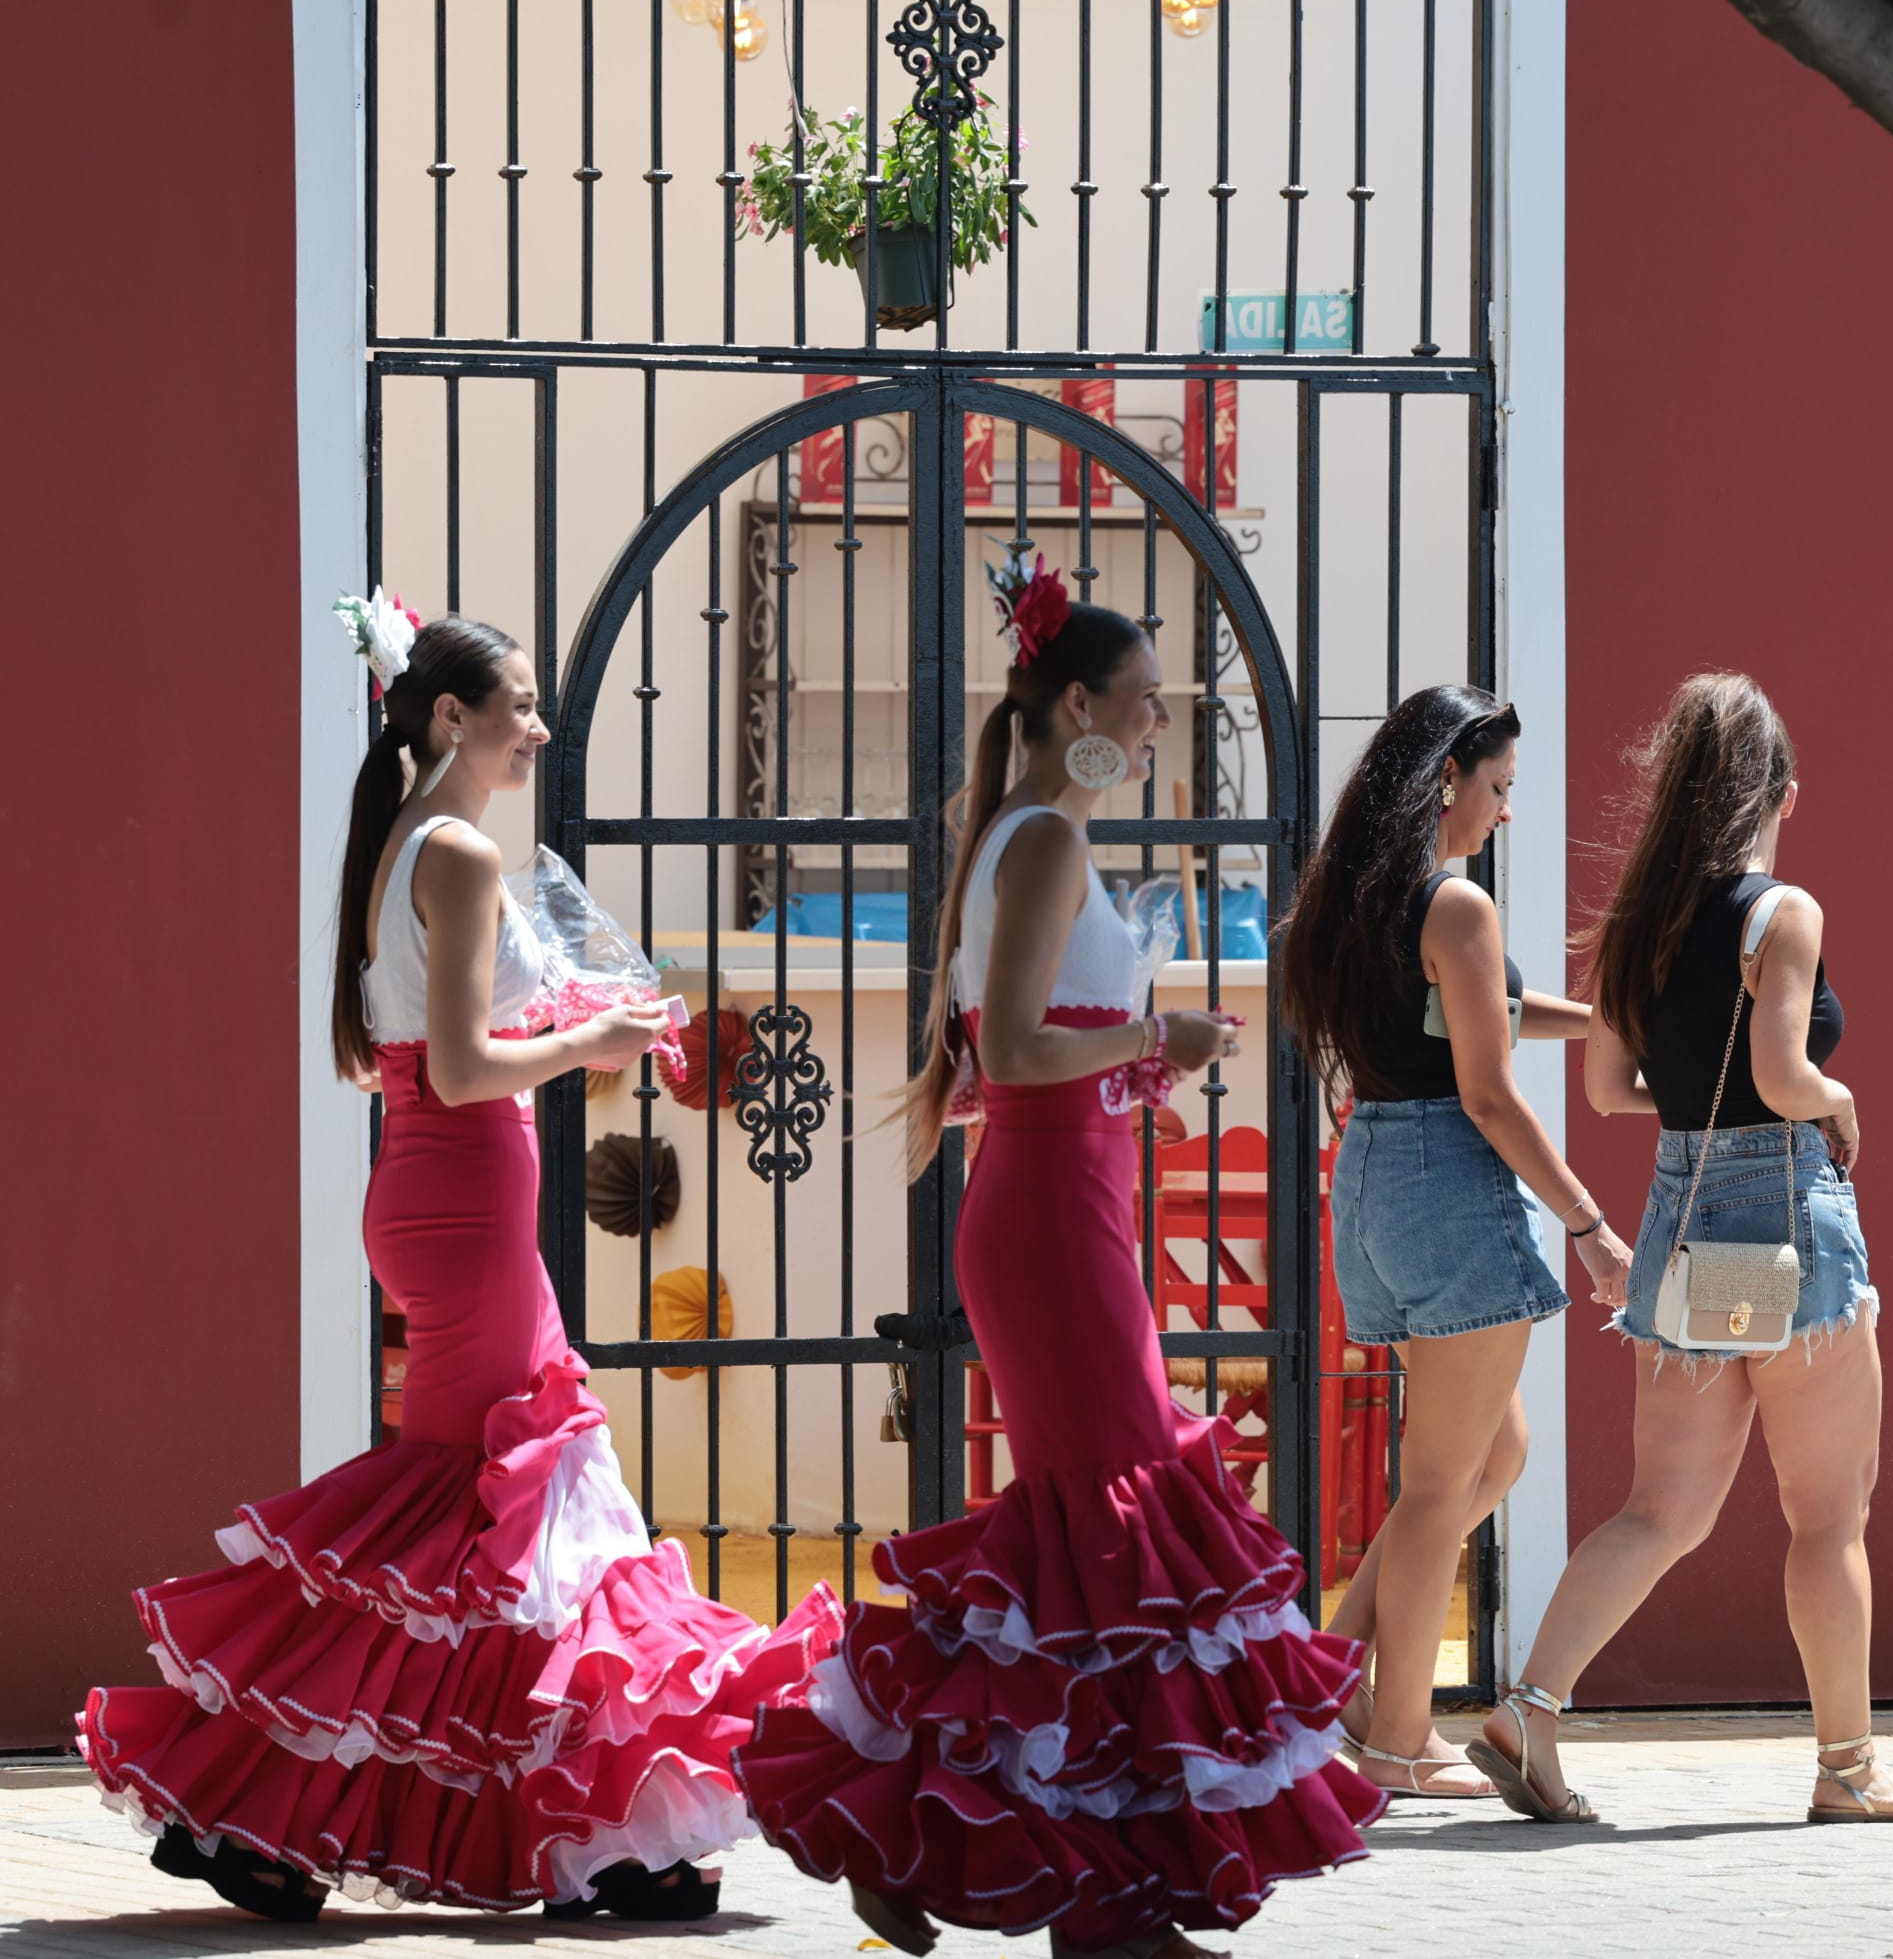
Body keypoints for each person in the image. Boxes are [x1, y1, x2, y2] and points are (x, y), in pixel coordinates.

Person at [77, 599, 842, 1919]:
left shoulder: (404, 845)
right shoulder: (463, 856)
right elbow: (476, 1062)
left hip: (430, 1180)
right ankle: (581, 1836)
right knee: (516, 1491)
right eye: (522, 704)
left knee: (479, 1502)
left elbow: (421, 1045)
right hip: (472, 1186)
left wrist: (574, 1012)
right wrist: (589, 1047)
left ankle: (302, 1815)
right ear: (450, 715)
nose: (539, 725)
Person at [735, 573, 1385, 1959]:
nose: (1158, 724)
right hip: (1047, 1223)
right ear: (1076, 705)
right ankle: (1085, 1895)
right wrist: (1164, 1045)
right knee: (1109, 1535)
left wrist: (1130, 1058)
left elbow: (993, 1063)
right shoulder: (1038, 845)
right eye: (1145, 700)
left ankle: (1023, 1866)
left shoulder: (1037, 841)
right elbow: (1021, 1051)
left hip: (1062, 1207)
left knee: (1093, 1546)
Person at [1465, 672, 1893, 1825]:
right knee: (1827, 1517)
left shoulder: (1639, 926)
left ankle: (1528, 1707)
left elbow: (1605, 1090)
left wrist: (1703, 1096)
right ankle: (1848, 1770)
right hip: (1789, 1223)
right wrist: (1832, 1098)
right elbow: (1789, 1075)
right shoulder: (1779, 913)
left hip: (1689, 1229)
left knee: (1661, 1511)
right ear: (1777, 791)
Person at [1280, 685, 1632, 1801]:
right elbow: (1488, 1092)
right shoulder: (1454, 908)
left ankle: (1328, 1666)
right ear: (1447, 777)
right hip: (1446, 1179)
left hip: (1375, 1178)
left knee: (1492, 1456)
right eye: (1500, 786)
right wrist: (1589, 1224)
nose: (1506, 810)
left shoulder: (1352, 900)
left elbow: (1491, 1016)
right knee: (1439, 1483)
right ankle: (1392, 1742)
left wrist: (1617, 1024)